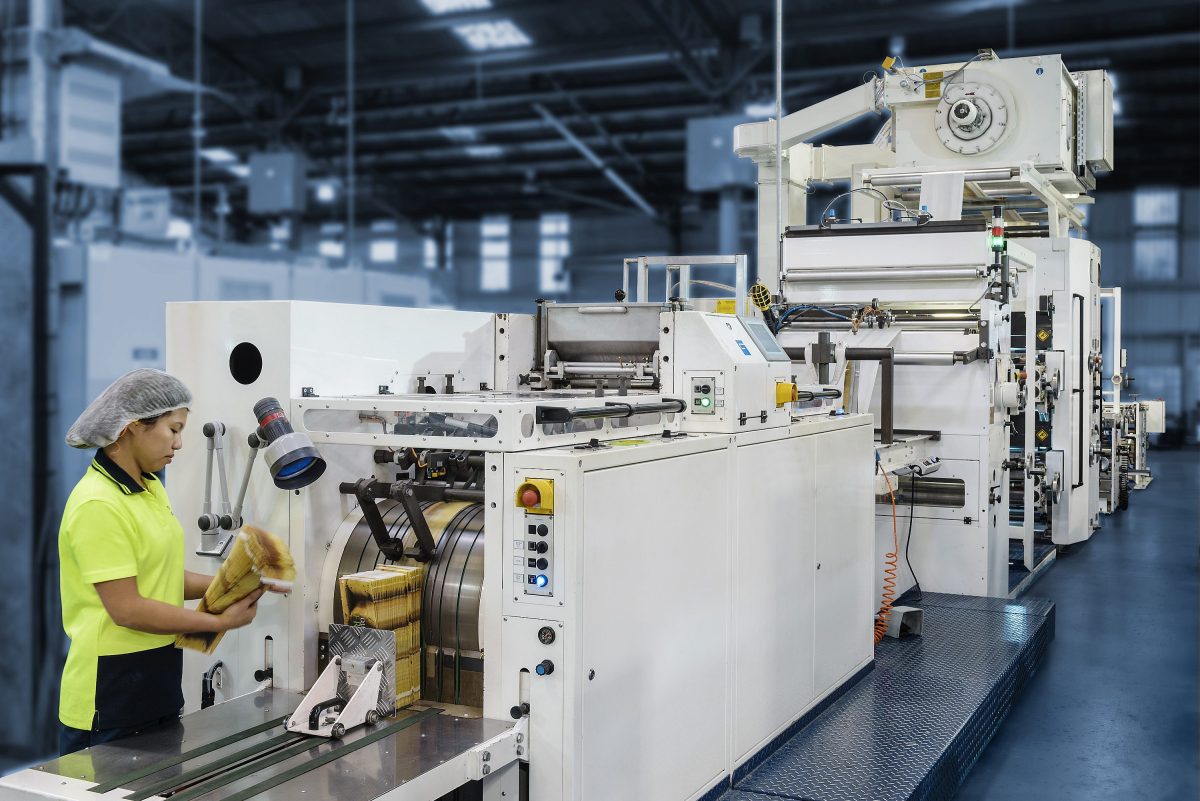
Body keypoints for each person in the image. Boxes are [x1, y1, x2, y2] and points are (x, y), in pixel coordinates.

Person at [57, 368, 265, 756]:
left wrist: (231, 582)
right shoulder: (98, 503)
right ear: (132, 427)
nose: (180, 443)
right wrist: (218, 622)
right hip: (109, 697)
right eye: (173, 429)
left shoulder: (150, 489)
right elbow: (127, 608)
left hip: (157, 683)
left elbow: (161, 577)